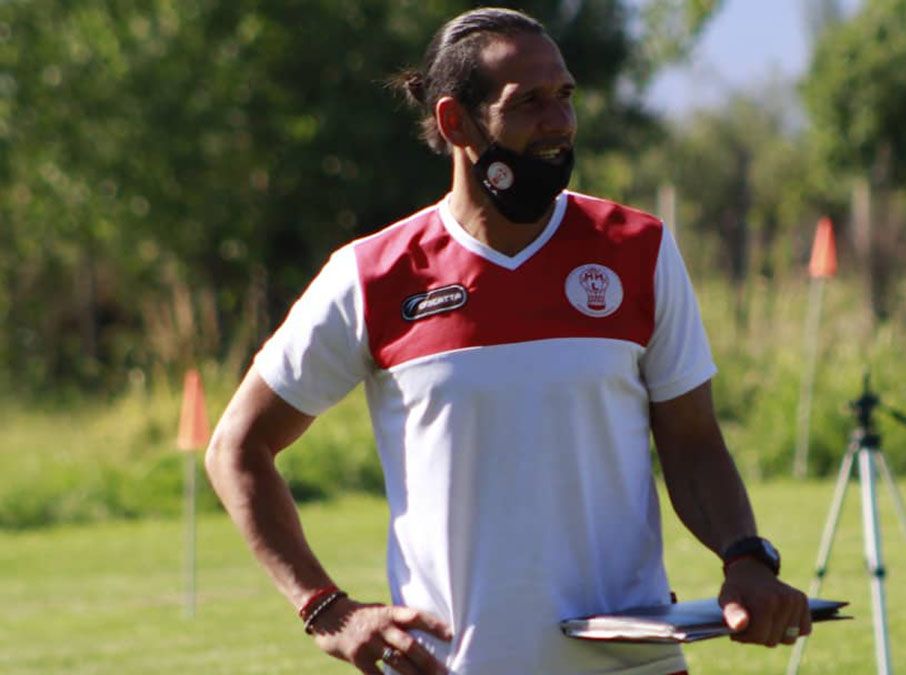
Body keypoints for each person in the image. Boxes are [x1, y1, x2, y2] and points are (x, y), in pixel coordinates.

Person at [205, 7, 808, 675]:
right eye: (528, 104)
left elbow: (693, 441)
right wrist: (327, 608)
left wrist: (746, 557)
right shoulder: (372, 274)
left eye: (565, 97)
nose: (559, 122)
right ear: (454, 122)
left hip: (635, 666)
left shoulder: (638, 248)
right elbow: (238, 447)